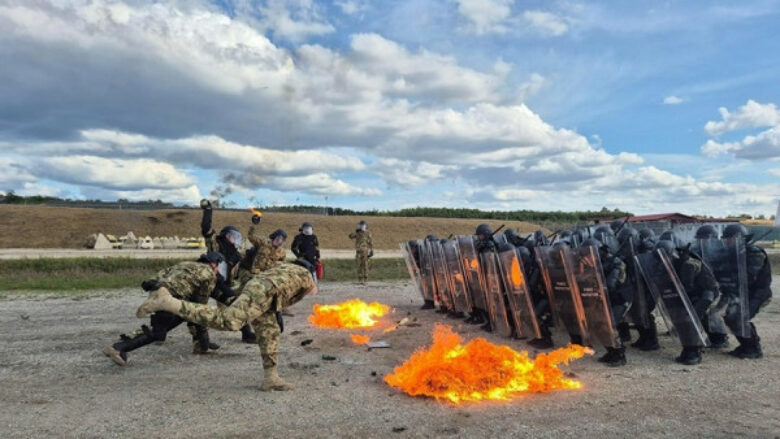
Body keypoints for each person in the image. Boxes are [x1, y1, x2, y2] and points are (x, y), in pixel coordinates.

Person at [136, 260, 318, 391]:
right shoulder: (305, 275)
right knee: (229, 320)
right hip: (266, 292)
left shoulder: (282, 267)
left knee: (270, 331)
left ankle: (271, 378)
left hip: (262, 290)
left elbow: (254, 284)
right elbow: (305, 292)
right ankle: (168, 303)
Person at [103, 252, 235, 366]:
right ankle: (118, 348)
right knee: (159, 332)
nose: (218, 270)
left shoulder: (186, 264)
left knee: (172, 321)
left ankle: (201, 345)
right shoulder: (209, 274)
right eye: (219, 266)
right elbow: (200, 307)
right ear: (213, 263)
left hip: (158, 290)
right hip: (169, 298)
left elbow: (161, 275)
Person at [200, 199, 256, 343]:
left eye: (236, 237)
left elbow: (241, 268)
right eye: (232, 236)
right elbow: (206, 228)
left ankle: (247, 333)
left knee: (237, 304)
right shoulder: (216, 244)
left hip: (223, 285)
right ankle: (200, 341)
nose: (235, 239)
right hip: (206, 282)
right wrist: (208, 211)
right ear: (225, 235)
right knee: (195, 309)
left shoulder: (236, 255)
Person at [657, 240, 720, 365]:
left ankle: (693, 352)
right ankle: (689, 348)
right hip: (690, 295)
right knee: (682, 319)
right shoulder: (672, 264)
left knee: (689, 320)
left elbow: (706, 287)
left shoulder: (688, 264)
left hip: (705, 295)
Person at [721, 224, 772, 359]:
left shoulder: (754, 253)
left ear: (737, 238)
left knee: (740, 316)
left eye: (728, 239)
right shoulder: (734, 253)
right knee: (730, 317)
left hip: (758, 293)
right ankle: (745, 345)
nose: (726, 242)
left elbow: (748, 276)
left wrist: (729, 277)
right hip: (743, 293)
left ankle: (754, 348)